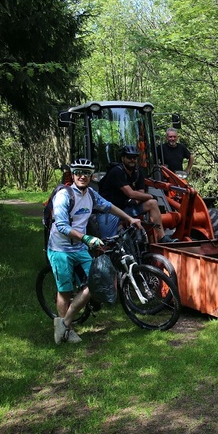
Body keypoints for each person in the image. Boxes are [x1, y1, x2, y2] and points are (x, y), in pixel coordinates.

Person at [47, 158, 141, 344]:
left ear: (91, 176)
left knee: (94, 282)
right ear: (73, 175)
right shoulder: (64, 196)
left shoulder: (90, 194)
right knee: (64, 291)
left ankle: (64, 323)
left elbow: (109, 206)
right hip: (60, 249)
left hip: (80, 247)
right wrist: (86, 238)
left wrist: (130, 218)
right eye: (79, 172)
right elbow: (62, 226)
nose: (83, 176)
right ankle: (69, 330)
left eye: (87, 173)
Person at [96, 145, 169, 243]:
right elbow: (131, 193)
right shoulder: (116, 171)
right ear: (123, 158)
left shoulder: (138, 172)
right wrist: (150, 196)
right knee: (108, 243)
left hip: (126, 208)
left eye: (134, 157)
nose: (132, 160)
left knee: (152, 203)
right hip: (110, 211)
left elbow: (140, 193)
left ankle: (162, 237)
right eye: (129, 157)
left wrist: (136, 200)